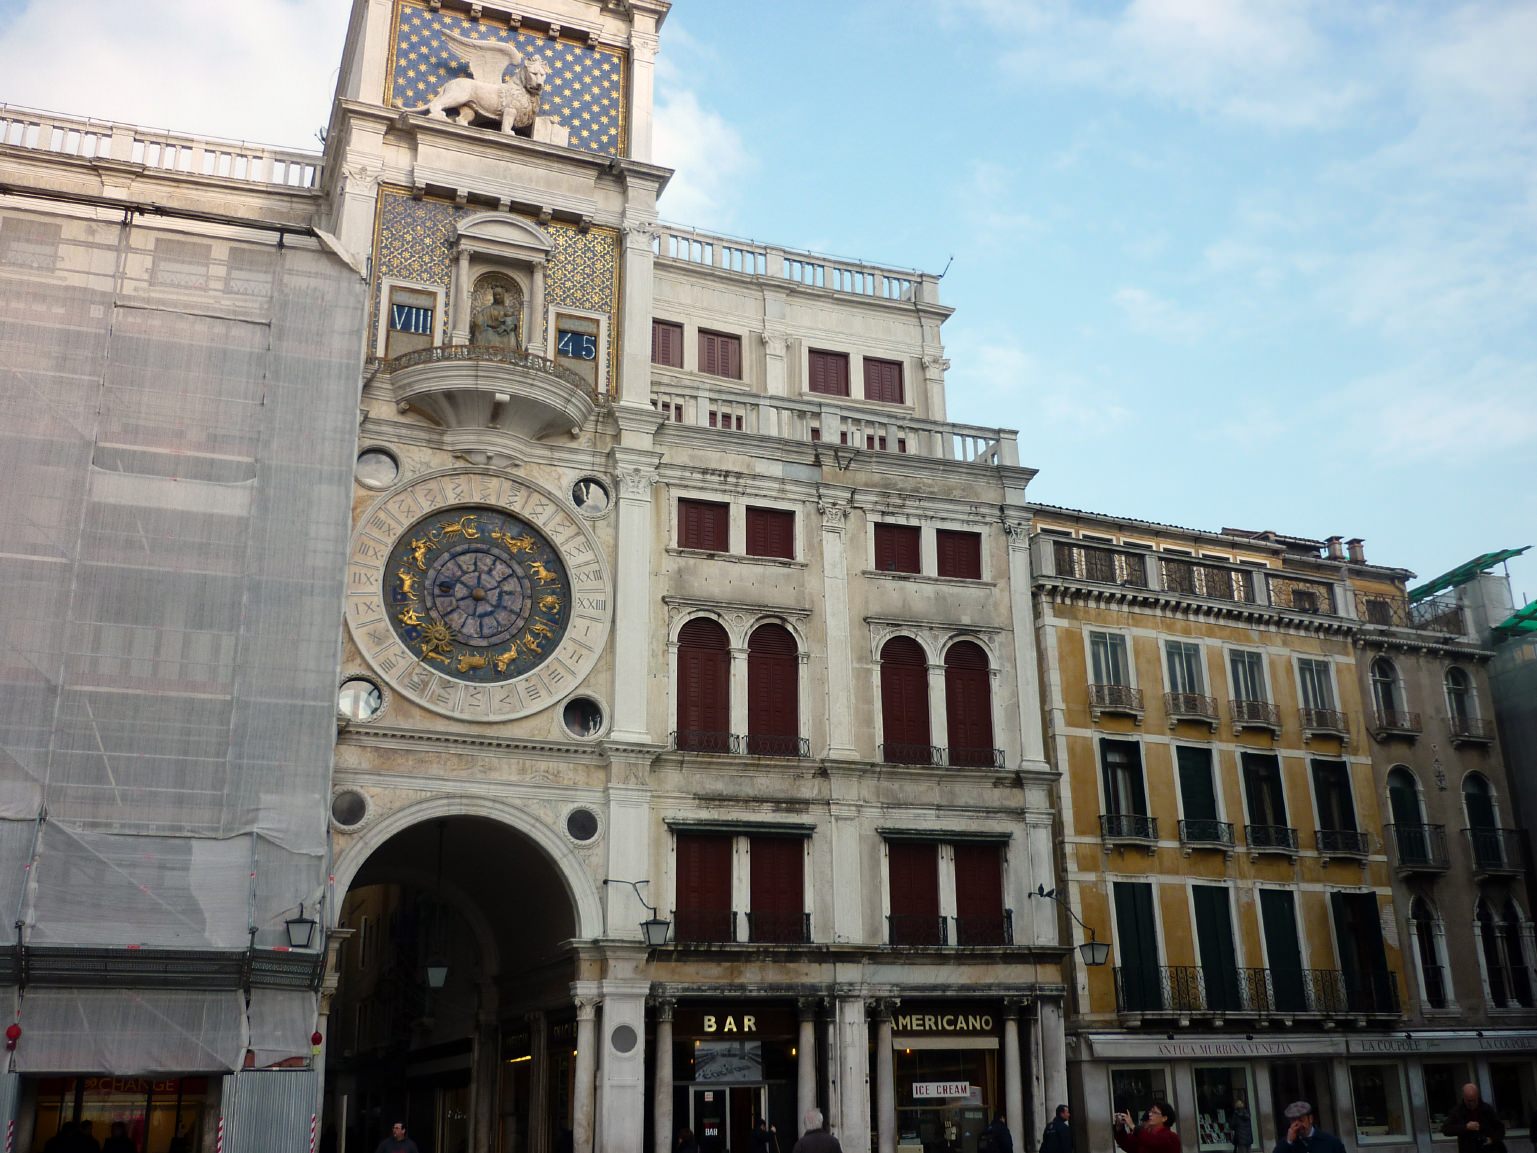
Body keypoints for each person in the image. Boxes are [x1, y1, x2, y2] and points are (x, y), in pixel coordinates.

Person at [1443, 1083, 1506, 1153]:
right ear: (1464, 1097)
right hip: (1468, 1148)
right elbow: (1446, 1129)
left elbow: (1500, 1129)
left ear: (1477, 1096)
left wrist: (1492, 1139)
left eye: (1474, 1100)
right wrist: (1465, 1127)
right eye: (1469, 1101)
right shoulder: (1458, 1111)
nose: (1471, 1103)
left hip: (1489, 1149)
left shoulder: (1487, 1109)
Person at [1272, 1101, 1345, 1153]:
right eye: (1293, 1121)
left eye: (1301, 1120)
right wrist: (1288, 1142)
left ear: (1310, 1119)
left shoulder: (1331, 1142)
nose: (1298, 1125)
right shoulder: (1285, 1144)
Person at [1113, 1100, 1180, 1153]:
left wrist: (1133, 1126)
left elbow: (1153, 1142)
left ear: (1164, 1118)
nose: (1150, 1114)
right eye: (1150, 1112)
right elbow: (1127, 1144)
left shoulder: (1171, 1137)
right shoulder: (1146, 1134)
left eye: (1154, 1112)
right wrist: (1120, 1128)